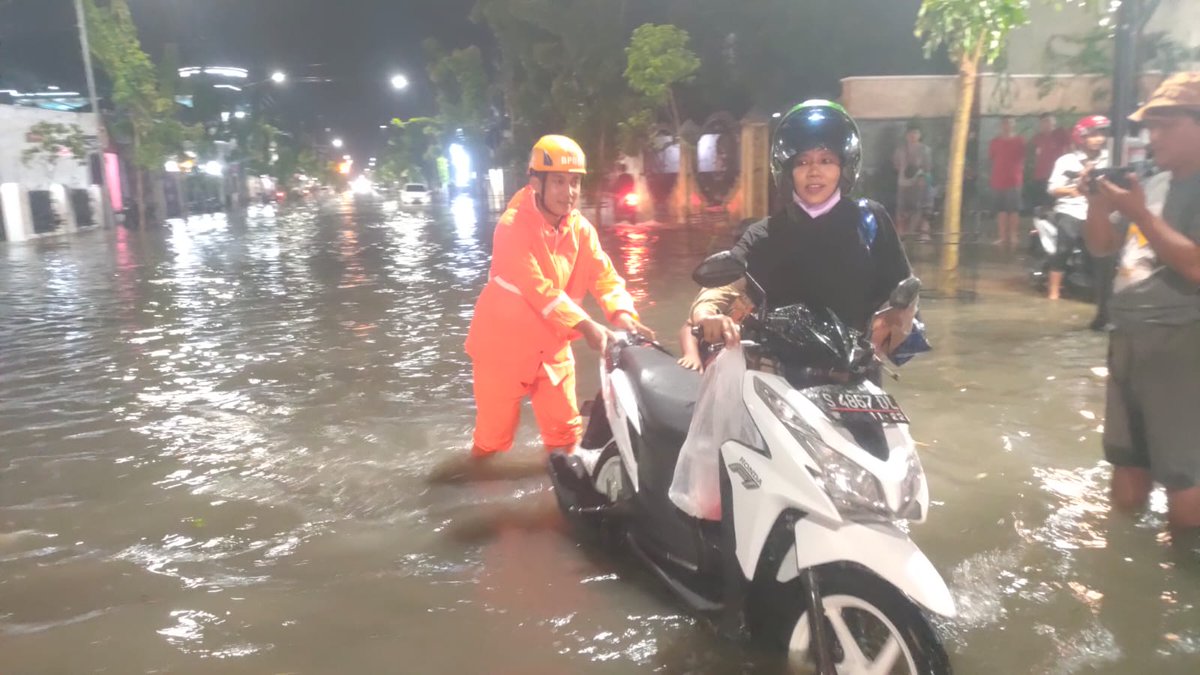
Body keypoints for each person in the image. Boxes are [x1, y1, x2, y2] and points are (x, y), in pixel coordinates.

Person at [433, 135, 654, 482]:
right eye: (559, 182)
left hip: (552, 348)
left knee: (566, 437)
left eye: (575, 182)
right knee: (491, 443)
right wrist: (587, 326)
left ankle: (560, 500)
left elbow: (605, 276)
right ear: (536, 182)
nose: (569, 192)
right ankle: (475, 494)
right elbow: (541, 291)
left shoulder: (581, 229)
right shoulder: (511, 228)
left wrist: (621, 313)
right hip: (502, 351)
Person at [691, 100, 913, 357]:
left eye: (826, 160)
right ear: (787, 171)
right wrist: (706, 316)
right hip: (780, 379)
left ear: (844, 166)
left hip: (857, 378)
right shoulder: (765, 234)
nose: (814, 172)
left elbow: (904, 291)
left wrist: (898, 324)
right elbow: (724, 286)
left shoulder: (871, 221)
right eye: (803, 162)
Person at [1081, 72, 1200, 529]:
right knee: (1127, 463)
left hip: (1181, 344)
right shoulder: (1151, 184)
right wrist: (1096, 205)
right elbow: (1101, 247)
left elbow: (1194, 268)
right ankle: (1126, 564)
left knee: (1184, 474)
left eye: (1166, 124)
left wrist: (1140, 215)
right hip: (1129, 339)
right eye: (1151, 126)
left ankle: (1184, 578)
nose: (1154, 136)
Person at [1045, 115, 1111, 300]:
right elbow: (1052, 188)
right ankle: (1054, 292)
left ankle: (1102, 295)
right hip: (1071, 210)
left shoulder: (1110, 159)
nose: (1098, 138)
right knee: (1064, 248)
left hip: (1098, 212)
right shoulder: (1066, 161)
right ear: (1081, 137)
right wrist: (1071, 191)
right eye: (1093, 134)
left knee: (1102, 253)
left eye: (1101, 134)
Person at [989, 116, 1027, 252]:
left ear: (1014, 125)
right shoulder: (995, 142)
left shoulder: (1020, 141)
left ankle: (1013, 236)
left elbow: (1024, 158)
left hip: (1014, 180)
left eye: (1010, 123)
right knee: (1001, 210)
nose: (1007, 125)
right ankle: (1002, 236)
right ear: (1001, 125)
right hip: (998, 180)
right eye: (1005, 123)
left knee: (1014, 210)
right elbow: (992, 158)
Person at [893, 121, 934, 241]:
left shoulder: (925, 150)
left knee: (922, 209)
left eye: (916, 133)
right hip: (903, 184)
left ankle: (924, 234)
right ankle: (901, 235)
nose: (913, 136)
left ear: (920, 135)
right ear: (906, 135)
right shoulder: (900, 150)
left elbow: (928, 168)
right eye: (910, 133)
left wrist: (923, 179)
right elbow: (896, 165)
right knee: (902, 210)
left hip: (920, 184)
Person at [1032, 113, 1072, 209]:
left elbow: (1070, 148)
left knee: (1057, 205)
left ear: (1054, 122)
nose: (1046, 124)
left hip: (1058, 176)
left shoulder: (1061, 134)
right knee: (1043, 206)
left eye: (1049, 121)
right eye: (1044, 121)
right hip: (1041, 177)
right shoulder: (1037, 138)